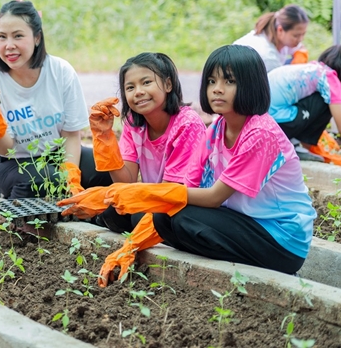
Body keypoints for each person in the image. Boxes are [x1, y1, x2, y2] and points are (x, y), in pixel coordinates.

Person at [59, 45, 316, 285]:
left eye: (229, 81)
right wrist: (130, 241)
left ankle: (264, 264)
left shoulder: (260, 134)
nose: (217, 89)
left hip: (282, 240)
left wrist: (131, 195)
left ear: (252, 85)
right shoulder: (217, 128)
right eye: (212, 81)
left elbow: (214, 197)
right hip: (246, 221)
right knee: (165, 218)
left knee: (176, 217)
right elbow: (184, 188)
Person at [0, 0, 112, 200]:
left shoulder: (61, 71)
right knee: (45, 179)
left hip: (58, 153)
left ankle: (95, 218)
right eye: (2, 37)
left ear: (37, 37)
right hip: (13, 162)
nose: (9, 45)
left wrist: (71, 176)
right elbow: (6, 149)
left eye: (18, 36)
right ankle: (21, 223)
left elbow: (71, 135)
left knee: (106, 170)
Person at [91, 52, 206, 234]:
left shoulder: (187, 124)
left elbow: (171, 191)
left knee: (137, 216)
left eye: (146, 82)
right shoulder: (134, 123)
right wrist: (105, 137)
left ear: (168, 84)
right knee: (110, 211)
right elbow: (126, 181)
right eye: (130, 87)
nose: (138, 92)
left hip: (184, 204)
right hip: (153, 199)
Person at [267, 45, 341, 162]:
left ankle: (301, 146)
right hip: (275, 123)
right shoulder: (329, 77)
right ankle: (300, 146)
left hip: (265, 120)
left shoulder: (311, 69)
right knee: (326, 101)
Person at [233, 4, 309, 72]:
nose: (300, 39)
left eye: (303, 34)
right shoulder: (268, 56)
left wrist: (299, 61)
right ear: (280, 30)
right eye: (296, 36)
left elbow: (300, 48)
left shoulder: (277, 36)